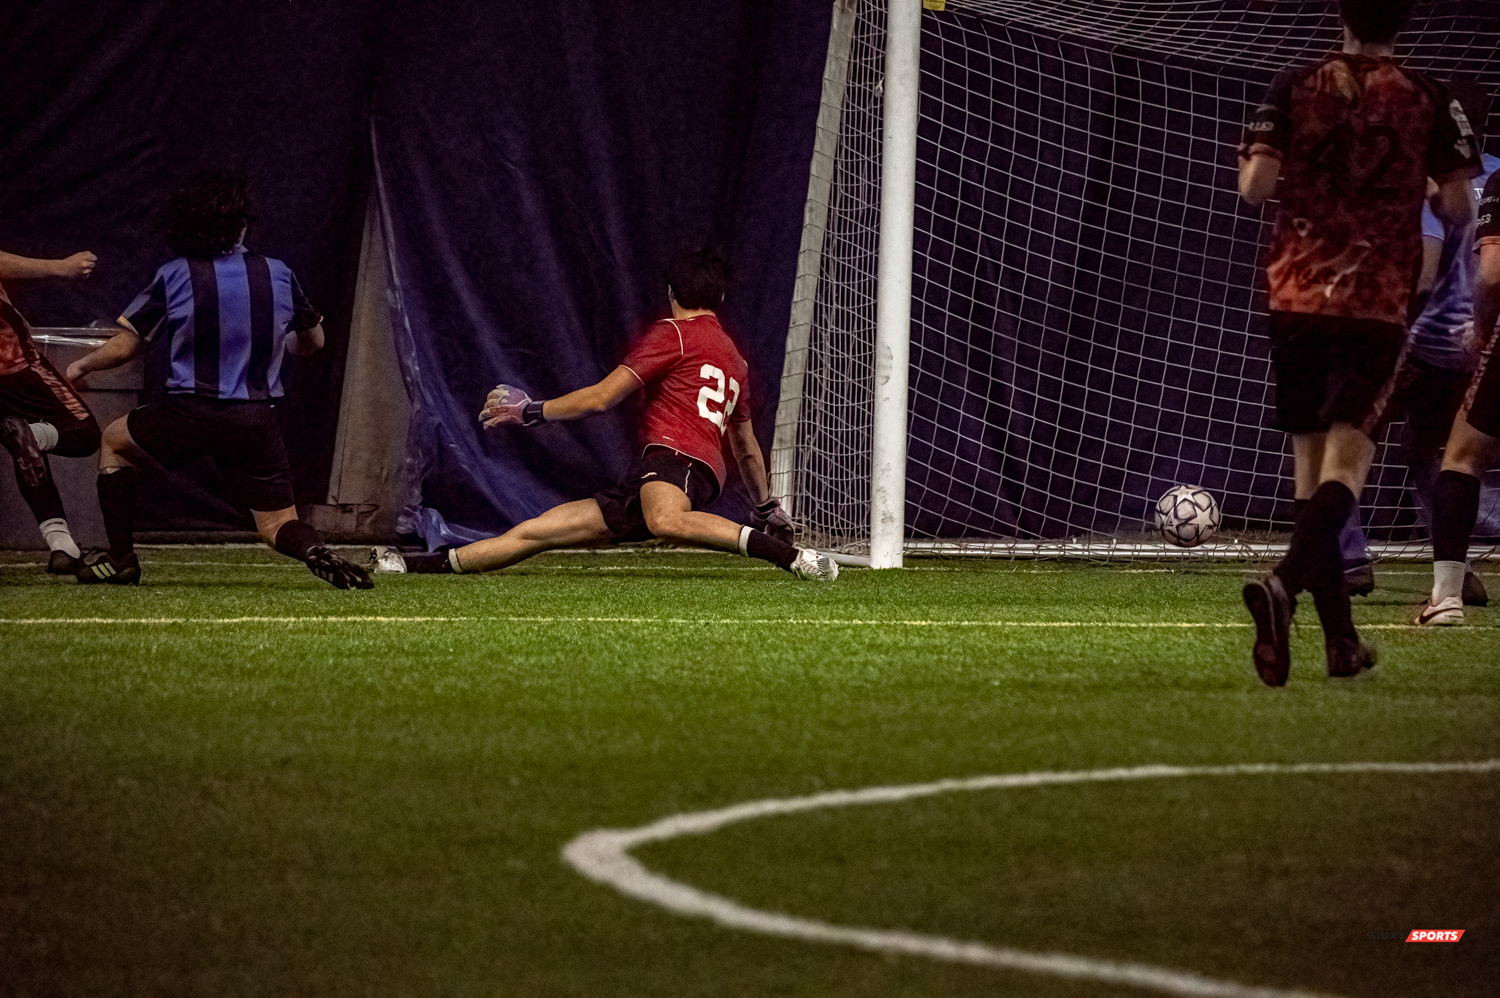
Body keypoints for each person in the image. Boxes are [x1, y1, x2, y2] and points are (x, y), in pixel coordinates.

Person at [1236, 0, 1481, 684]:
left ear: (1340, 11)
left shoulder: (1293, 85)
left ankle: (1341, 644)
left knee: (1307, 471)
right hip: (1373, 300)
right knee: (1346, 471)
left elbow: (1254, 188)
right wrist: (1425, 191)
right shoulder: (1426, 96)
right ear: (1405, 21)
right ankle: (1283, 584)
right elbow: (1461, 206)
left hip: (1295, 294)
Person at [373, 249, 837, 581]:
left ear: (672, 292)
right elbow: (746, 447)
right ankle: (409, 565)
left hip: (673, 460)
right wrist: (765, 506)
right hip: (684, 470)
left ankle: (794, 558)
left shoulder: (674, 333)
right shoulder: (735, 358)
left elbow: (600, 397)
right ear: (718, 299)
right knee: (537, 532)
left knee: (666, 522)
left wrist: (529, 411)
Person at [64, 168, 372, 589]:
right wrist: (290, 344)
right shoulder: (277, 272)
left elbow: (127, 344)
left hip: (189, 412)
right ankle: (313, 550)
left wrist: (82, 365)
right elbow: (313, 341)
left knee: (115, 442)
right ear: (241, 223)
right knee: (277, 523)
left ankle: (122, 561)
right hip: (255, 419)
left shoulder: (175, 274)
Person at [1338, 77, 1498, 606]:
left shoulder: (1437, 183)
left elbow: (1425, 270)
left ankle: (1349, 558)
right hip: (1474, 346)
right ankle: (1456, 565)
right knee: (1438, 453)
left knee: (1346, 435)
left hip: (1421, 339)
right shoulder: (1497, 174)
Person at [1417, 166, 1500, 625]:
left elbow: (1490, 275)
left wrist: (1484, 330)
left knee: (1461, 457)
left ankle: (1446, 598)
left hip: (1438, 344)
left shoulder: (1497, 182)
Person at [0, 247, 102, 574]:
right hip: (15, 368)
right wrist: (60, 267)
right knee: (83, 434)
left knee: (24, 440)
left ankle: (63, 546)